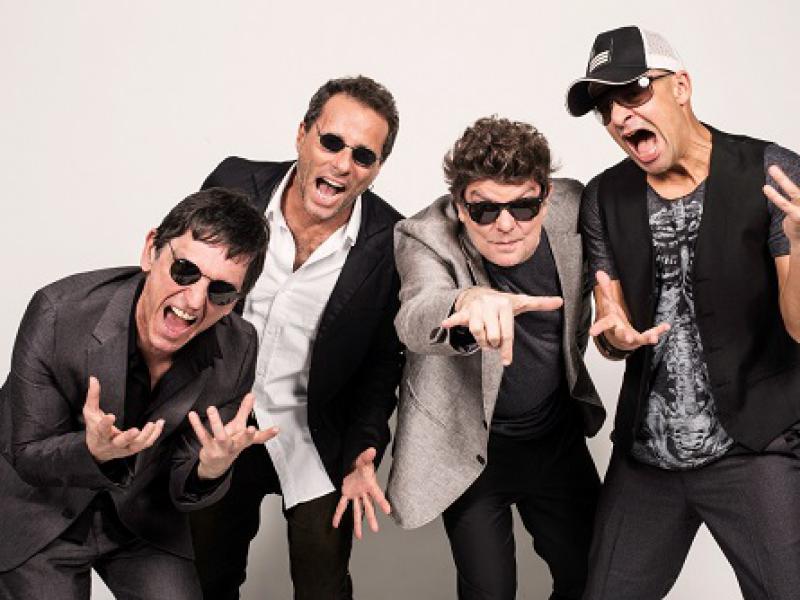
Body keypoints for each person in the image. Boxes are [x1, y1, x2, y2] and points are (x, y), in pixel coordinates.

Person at [566, 25, 800, 599]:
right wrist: (615, 338)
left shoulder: (771, 172)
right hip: (647, 458)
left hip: (753, 447)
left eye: (633, 91)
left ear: (681, 86)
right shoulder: (604, 197)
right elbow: (612, 323)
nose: (619, 115)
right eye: (605, 107)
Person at [0, 188, 274, 599]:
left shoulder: (239, 347)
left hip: (140, 518)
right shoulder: (58, 313)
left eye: (220, 291)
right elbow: (26, 452)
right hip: (40, 509)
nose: (194, 301)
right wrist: (93, 452)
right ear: (151, 251)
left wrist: (210, 468)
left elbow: (184, 475)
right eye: (185, 270)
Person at [189, 75, 404, 599]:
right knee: (206, 581)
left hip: (314, 436)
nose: (343, 164)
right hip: (219, 426)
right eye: (331, 142)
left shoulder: (389, 241)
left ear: (377, 168)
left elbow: (382, 362)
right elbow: (179, 282)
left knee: (322, 587)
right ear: (303, 134)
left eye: (363, 155)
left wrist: (365, 450)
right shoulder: (234, 182)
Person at [385, 116, 605, 600]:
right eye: (484, 210)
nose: (506, 225)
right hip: (471, 449)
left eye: (523, 206)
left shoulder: (575, 207)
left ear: (546, 196)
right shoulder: (425, 235)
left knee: (596, 578)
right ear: (459, 206)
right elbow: (416, 314)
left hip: (555, 437)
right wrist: (468, 302)